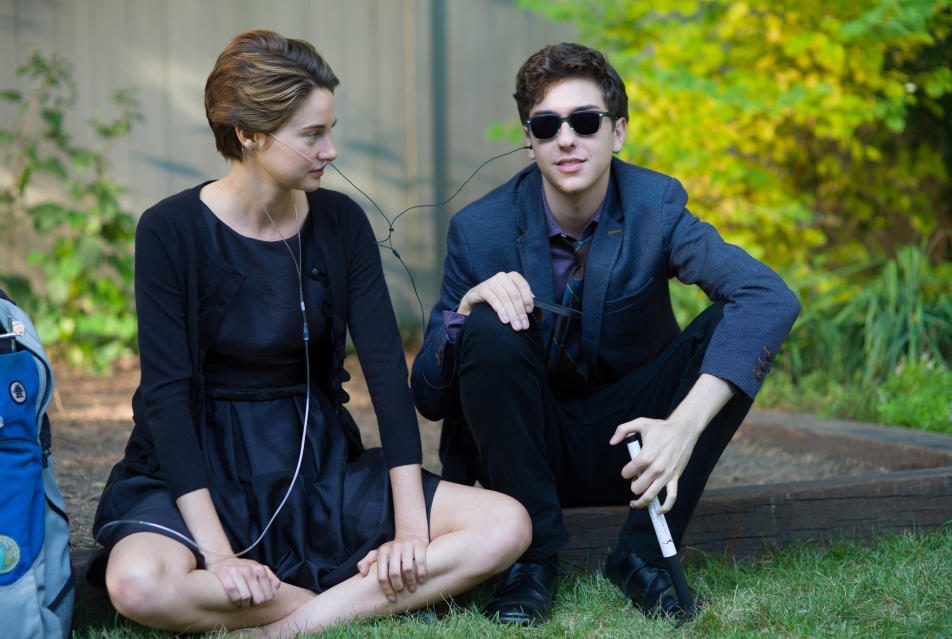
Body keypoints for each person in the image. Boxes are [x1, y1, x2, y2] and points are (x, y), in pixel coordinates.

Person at [90, 29, 530, 638]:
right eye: (312, 135)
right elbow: (165, 401)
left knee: (506, 525)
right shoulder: (168, 229)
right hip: (200, 466)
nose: (331, 149)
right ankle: (335, 599)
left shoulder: (342, 221)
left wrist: (409, 531)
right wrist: (217, 557)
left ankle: (288, 625)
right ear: (248, 134)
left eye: (330, 129)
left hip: (315, 462)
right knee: (135, 584)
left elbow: (386, 376)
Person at [411, 42, 801, 625]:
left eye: (585, 121)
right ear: (529, 139)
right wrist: (463, 313)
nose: (566, 139)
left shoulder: (655, 206)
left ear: (616, 132)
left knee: (733, 324)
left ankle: (642, 555)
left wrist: (682, 428)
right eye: (548, 125)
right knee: (490, 322)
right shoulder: (480, 230)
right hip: (525, 450)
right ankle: (531, 558)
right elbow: (429, 397)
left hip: (635, 445)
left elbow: (769, 296)